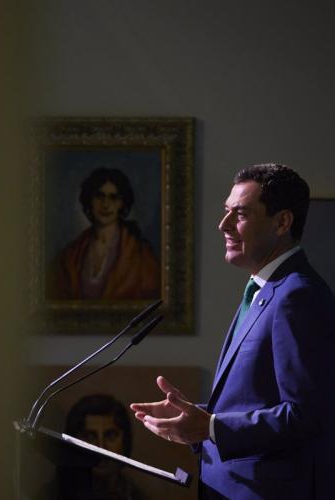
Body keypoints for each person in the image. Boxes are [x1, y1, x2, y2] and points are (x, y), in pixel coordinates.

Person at [130, 164, 335, 499]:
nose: (223, 224)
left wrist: (210, 427)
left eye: (240, 214)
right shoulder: (265, 289)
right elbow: (257, 400)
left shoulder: (297, 295)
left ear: (282, 222)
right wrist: (196, 418)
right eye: (226, 211)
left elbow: (306, 416)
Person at [47, 167, 160, 300]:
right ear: (89, 200)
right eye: (99, 196)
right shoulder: (71, 255)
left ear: (122, 204)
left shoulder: (140, 253)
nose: (105, 204)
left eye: (113, 198)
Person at [37, 394, 146, 500]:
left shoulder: (136, 496)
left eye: (110, 435)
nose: (101, 447)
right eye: (90, 437)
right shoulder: (50, 495)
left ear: (126, 440)